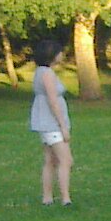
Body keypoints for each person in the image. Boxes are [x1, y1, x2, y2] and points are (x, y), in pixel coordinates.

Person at [28, 37, 74, 206]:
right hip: (51, 123)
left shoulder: (42, 71)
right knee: (66, 160)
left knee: (50, 160)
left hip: (46, 122)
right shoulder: (46, 73)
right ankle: (65, 198)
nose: (62, 55)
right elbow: (53, 100)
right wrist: (63, 126)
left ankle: (47, 198)